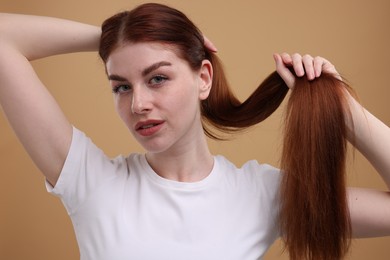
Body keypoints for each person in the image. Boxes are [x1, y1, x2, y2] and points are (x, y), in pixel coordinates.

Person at [0, 2, 389, 260]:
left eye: (157, 78)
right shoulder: (89, 181)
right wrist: (114, 37)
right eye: (121, 85)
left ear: (203, 78)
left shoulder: (262, 195)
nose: (137, 104)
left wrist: (341, 107)